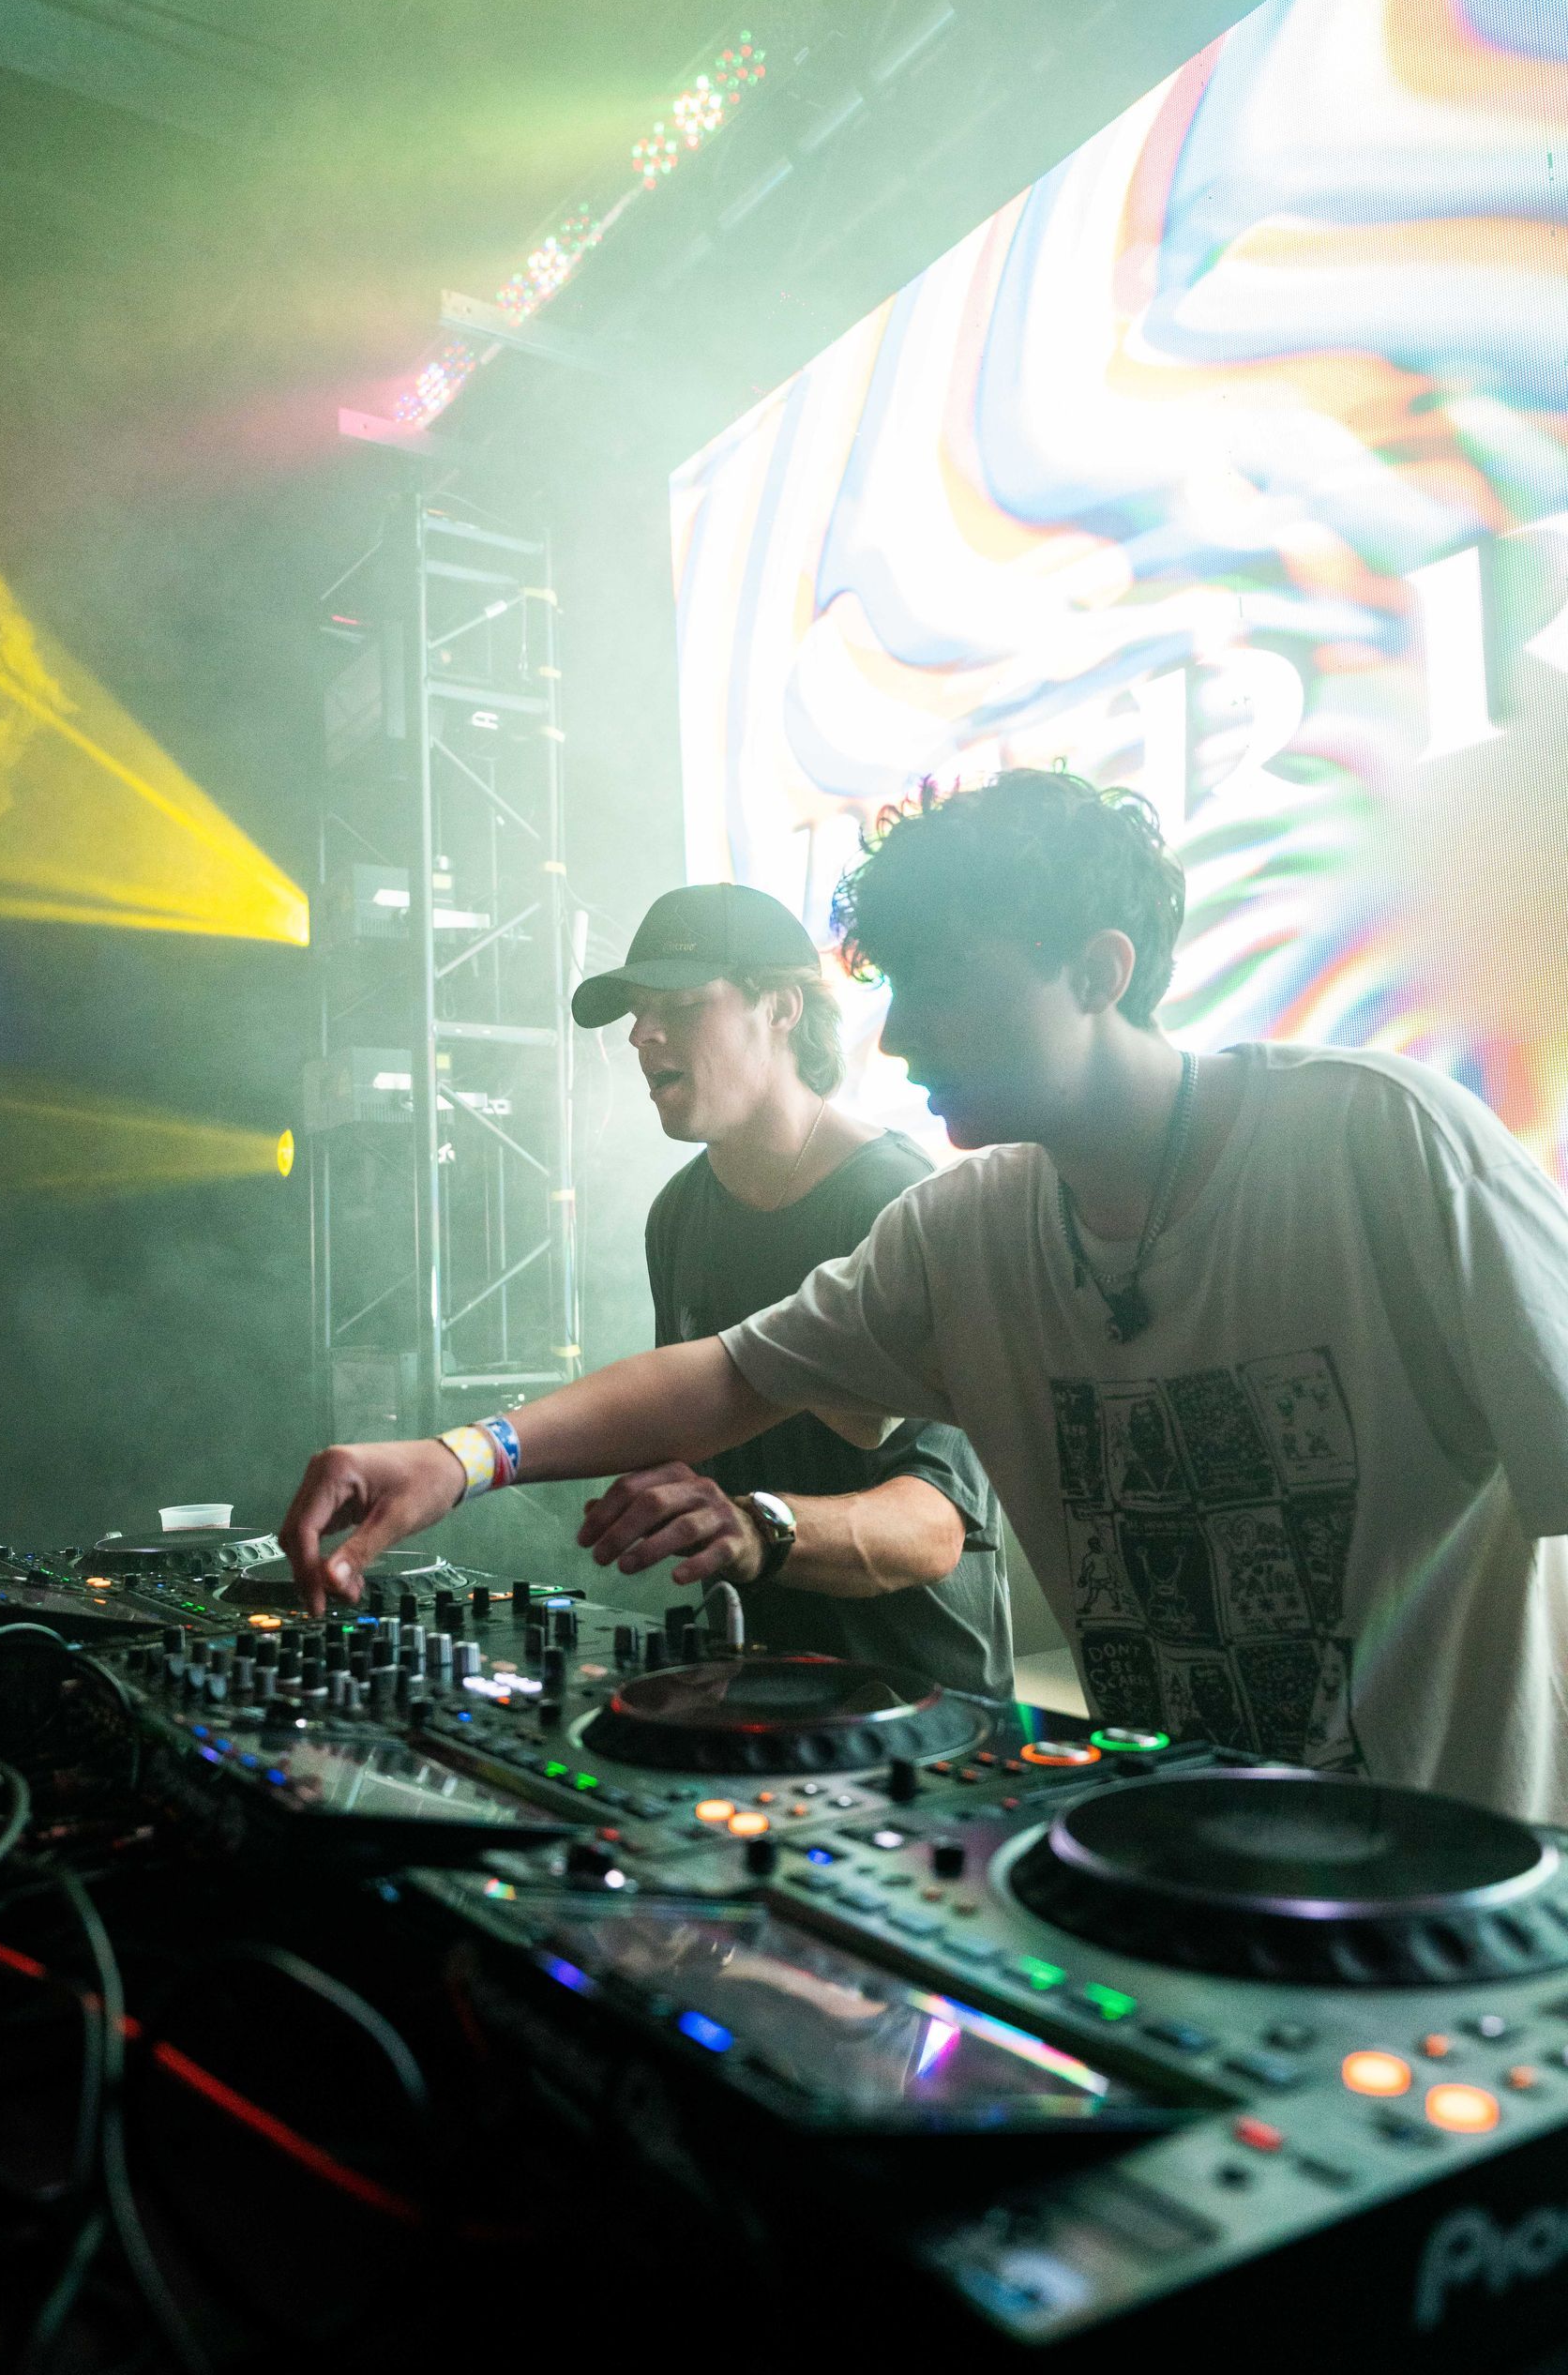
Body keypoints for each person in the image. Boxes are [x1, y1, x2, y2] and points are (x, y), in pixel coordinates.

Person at [281, 768, 1568, 1823]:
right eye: (891, 987)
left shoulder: (1386, 1147)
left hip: (1443, 1901)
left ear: (1098, 969)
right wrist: (463, 1455)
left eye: (940, 981)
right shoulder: (971, 1226)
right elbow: (735, 1372)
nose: (896, 1038)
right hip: (1165, 1865)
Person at [566, 880, 1009, 1695]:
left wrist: (752, 1524)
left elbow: (936, 1525)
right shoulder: (678, 1212)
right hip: (752, 1686)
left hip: (915, 1698)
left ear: (780, 1009)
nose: (641, 1033)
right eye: (636, 1009)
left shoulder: (894, 1200)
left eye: (679, 1003)